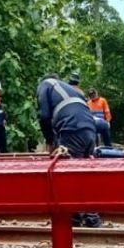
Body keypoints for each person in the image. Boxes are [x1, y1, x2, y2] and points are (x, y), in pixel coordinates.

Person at [36, 74, 100, 226]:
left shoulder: (44, 85)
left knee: (69, 175)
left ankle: (76, 218)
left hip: (71, 128)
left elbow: (44, 116)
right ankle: (91, 217)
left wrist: (50, 141)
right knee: (85, 175)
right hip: (90, 128)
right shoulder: (69, 89)